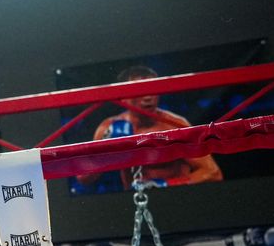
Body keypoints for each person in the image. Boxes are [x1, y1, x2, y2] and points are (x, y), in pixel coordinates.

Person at [76, 65, 222, 191]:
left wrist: (165, 185)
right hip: (135, 203)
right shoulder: (110, 127)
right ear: (122, 97)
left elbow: (212, 172)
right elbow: (83, 178)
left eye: (152, 89)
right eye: (140, 91)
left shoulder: (175, 125)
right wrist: (106, 152)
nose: (148, 97)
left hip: (177, 198)